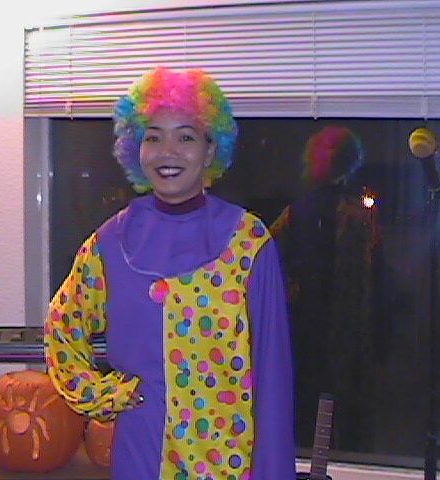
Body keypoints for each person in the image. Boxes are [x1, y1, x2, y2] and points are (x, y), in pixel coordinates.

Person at [44, 66, 295, 480]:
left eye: (186, 137)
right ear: (135, 149)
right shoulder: (109, 243)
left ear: (210, 152)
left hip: (226, 465)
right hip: (138, 454)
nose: (167, 152)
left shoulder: (248, 242)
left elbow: (273, 377)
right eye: (153, 137)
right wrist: (103, 394)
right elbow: (62, 326)